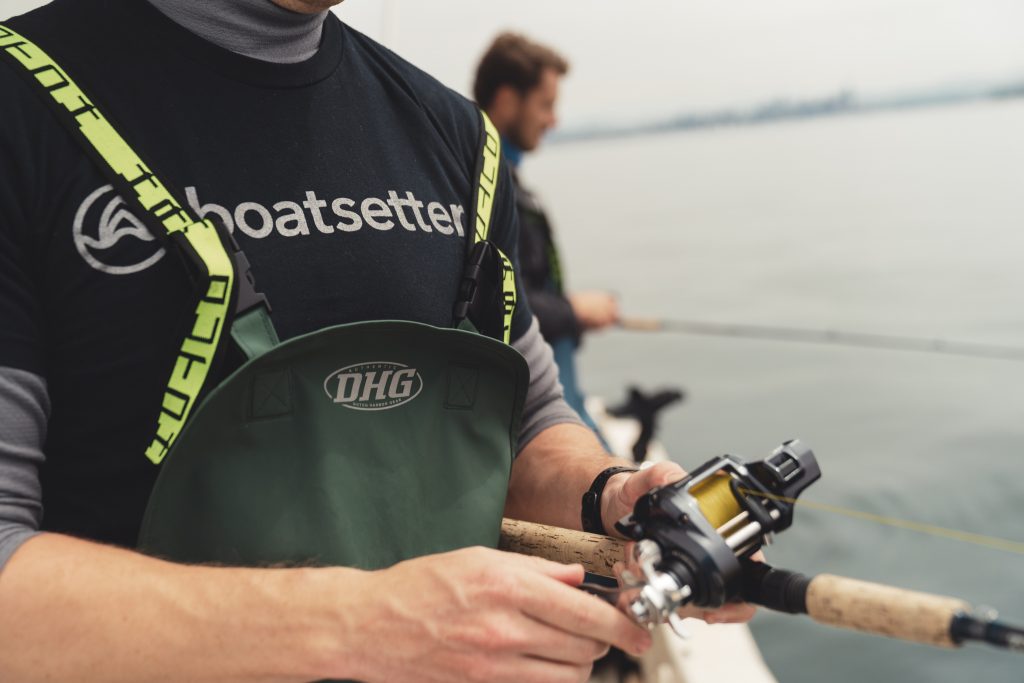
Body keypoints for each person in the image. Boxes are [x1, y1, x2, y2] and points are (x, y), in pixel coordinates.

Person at [0, 2, 753, 681]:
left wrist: (611, 494)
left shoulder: (456, 136)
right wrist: (361, 623)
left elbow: (528, 421)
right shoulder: (22, 100)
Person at [473, 33, 619, 437]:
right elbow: (489, 302)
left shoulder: (507, 179)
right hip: (534, 423)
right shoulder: (480, 185)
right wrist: (574, 311)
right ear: (506, 100)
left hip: (557, 400)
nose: (554, 120)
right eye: (546, 105)